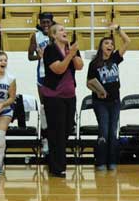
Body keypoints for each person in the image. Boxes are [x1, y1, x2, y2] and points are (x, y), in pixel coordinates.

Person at [86, 23, 130, 171]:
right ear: (101, 47)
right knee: (104, 131)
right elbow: (88, 83)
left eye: (111, 43)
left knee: (112, 132)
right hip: (100, 102)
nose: (109, 45)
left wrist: (118, 29)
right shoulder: (94, 63)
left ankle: (112, 161)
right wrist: (98, 91)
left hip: (115, 101)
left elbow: (127, 42)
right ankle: (100, 161)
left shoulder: (116, 59)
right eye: (106, 43)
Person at [41, 24, 83, 178]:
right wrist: (70, 55)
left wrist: (74, 53)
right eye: (61, 30)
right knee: (56, 132)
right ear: (53, 35)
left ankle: (53, 161)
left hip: (70, 95)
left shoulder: (70, 48)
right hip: (54, 96)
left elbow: (79, 66)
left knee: (66, 130)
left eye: (65, 30)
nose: (65, 32)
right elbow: (59, 69)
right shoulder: (50, 50)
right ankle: (57, 167)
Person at [28, 12, 55, 156]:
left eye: (48, 22)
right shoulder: (35, 36)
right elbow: (29, 56)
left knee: (55, 107)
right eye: (43, 22)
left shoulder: (57, 34)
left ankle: (55, 138)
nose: (45, 25)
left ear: (52, 22)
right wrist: (38, 56)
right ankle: (45, 139)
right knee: (44, 107)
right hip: (43, 75)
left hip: (56, 74)